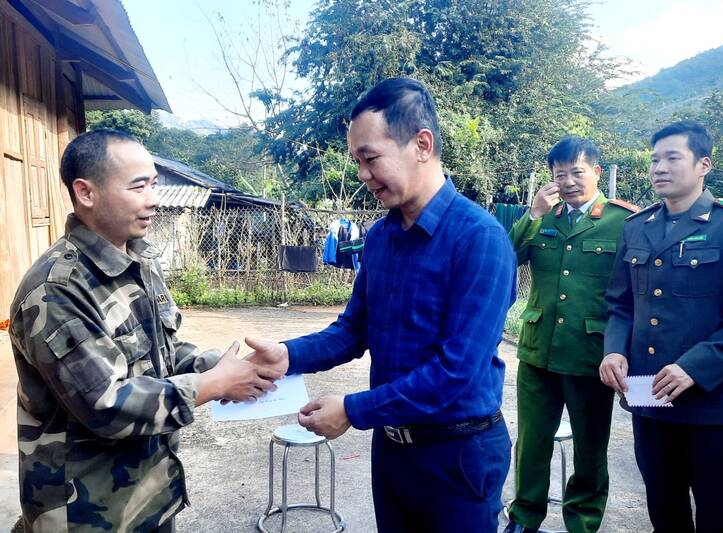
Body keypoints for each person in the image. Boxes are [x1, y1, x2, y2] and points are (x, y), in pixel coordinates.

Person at [245, 77, 517, 532]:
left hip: (457, 456)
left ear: (422, 144)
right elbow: (354, 329)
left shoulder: (479, 239)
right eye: (357, 161)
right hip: (393, 452)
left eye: (370, 158)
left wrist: (354, 410)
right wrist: (289, 355)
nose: (363, 175)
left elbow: (456, 371)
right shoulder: (381, 237)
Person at [9, 129, 278, 532]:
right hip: (86, 513)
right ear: (86, 193)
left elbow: (161, 353)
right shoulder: (56, 289)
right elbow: (108, 405)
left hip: (148, 497)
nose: (153, 199)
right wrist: (215, 384)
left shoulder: (138, 258)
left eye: (154, 184)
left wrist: (227, 367)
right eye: (138, 187)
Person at [599, 120, 723, 533]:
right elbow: (620, 304)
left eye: (672, 158)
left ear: (704, 164)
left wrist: (694, 367)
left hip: (715, 406)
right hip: (651, 399)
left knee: (718, 515)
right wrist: (613, 349)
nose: (659, 167)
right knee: (665, 510)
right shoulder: (636, 226)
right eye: (654, 159)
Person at [504, 137, 638, 533]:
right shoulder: (543, 215)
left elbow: (633, 293)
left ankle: (582, 523)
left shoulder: (623, 221)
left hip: (591, 356)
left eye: (577, 172)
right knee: (530, 445)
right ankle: (524, 519)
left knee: (590, 448)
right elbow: (502, 259)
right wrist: (533, 215)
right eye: (560, 174)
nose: (568, 181)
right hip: (537, 352)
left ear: (596, 172)